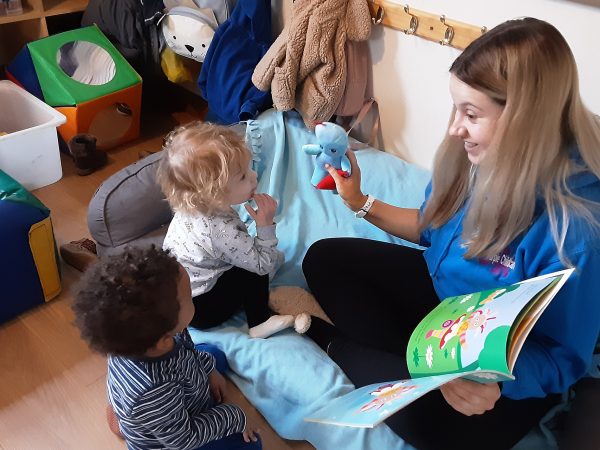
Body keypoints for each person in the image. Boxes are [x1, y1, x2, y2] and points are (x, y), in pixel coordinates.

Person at [301, 17, 600, 450]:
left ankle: (332, 344)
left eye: (472, 114)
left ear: (524, 122)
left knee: (438, 430)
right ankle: (414, 370)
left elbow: (560, 356)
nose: (456, 128)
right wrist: (359, 201)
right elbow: (431, 228)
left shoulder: (576, 233)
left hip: (505, 359)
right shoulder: (471, 157)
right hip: (444, 309)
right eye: (456, 108)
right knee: (323, 259)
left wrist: (485, 383)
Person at [72, 246, 262, 450]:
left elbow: (189, 351)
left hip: (175, 392)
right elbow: (184, 439)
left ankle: (125, 416)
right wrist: (234, 416)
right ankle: (128, 422)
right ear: (164, 339)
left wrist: (208, 370)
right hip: (173, 438)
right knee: (252, 445)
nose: (194, 298)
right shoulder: (153, 389)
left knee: (213, 355)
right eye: (191, 297)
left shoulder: (139, 334)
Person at [157, 122, 309, 338]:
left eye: (249, 168)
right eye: (243, 177)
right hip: (204, 310)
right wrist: (265, 226)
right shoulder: (221, 230)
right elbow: (262, 264)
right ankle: (259, 321)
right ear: (213, 194)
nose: (254, 177)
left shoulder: (190, 207)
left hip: (179, 300)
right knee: (251, 269)